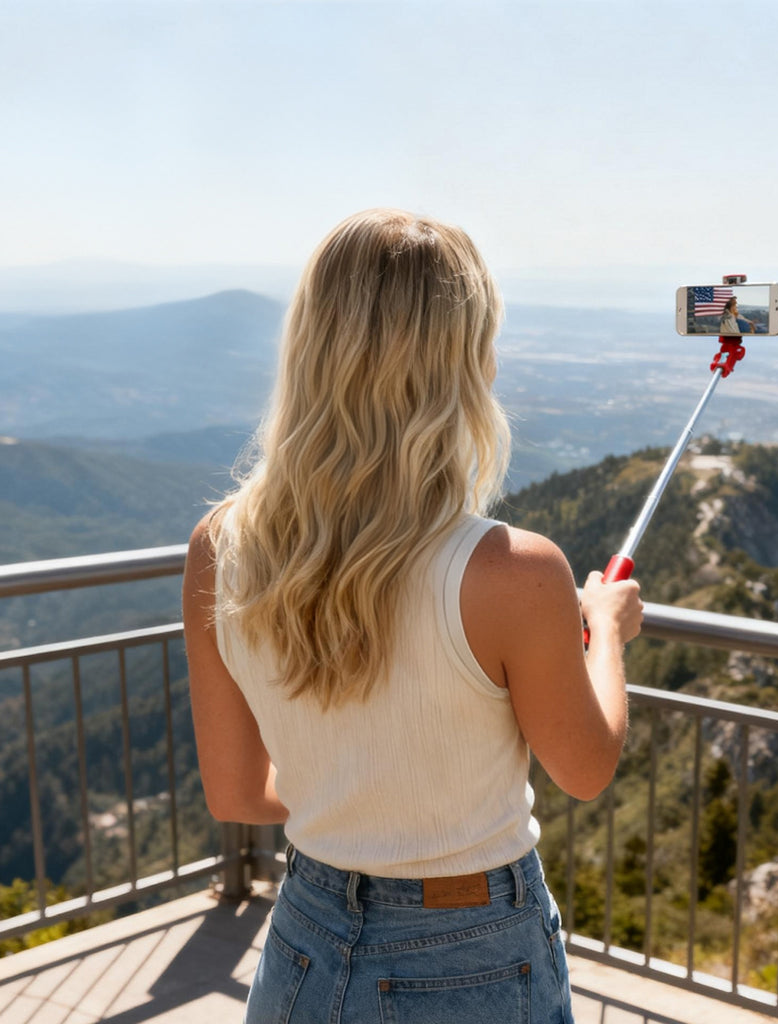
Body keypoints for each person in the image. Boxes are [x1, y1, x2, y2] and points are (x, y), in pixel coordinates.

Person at [182, 208, 643, 1023]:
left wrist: (351, 808)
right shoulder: (514, 571)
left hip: (302, 939)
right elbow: (585, 768)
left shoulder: (219, 547)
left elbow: (236, 794)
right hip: (474, 953)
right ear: (461, 362)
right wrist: (604, 629)